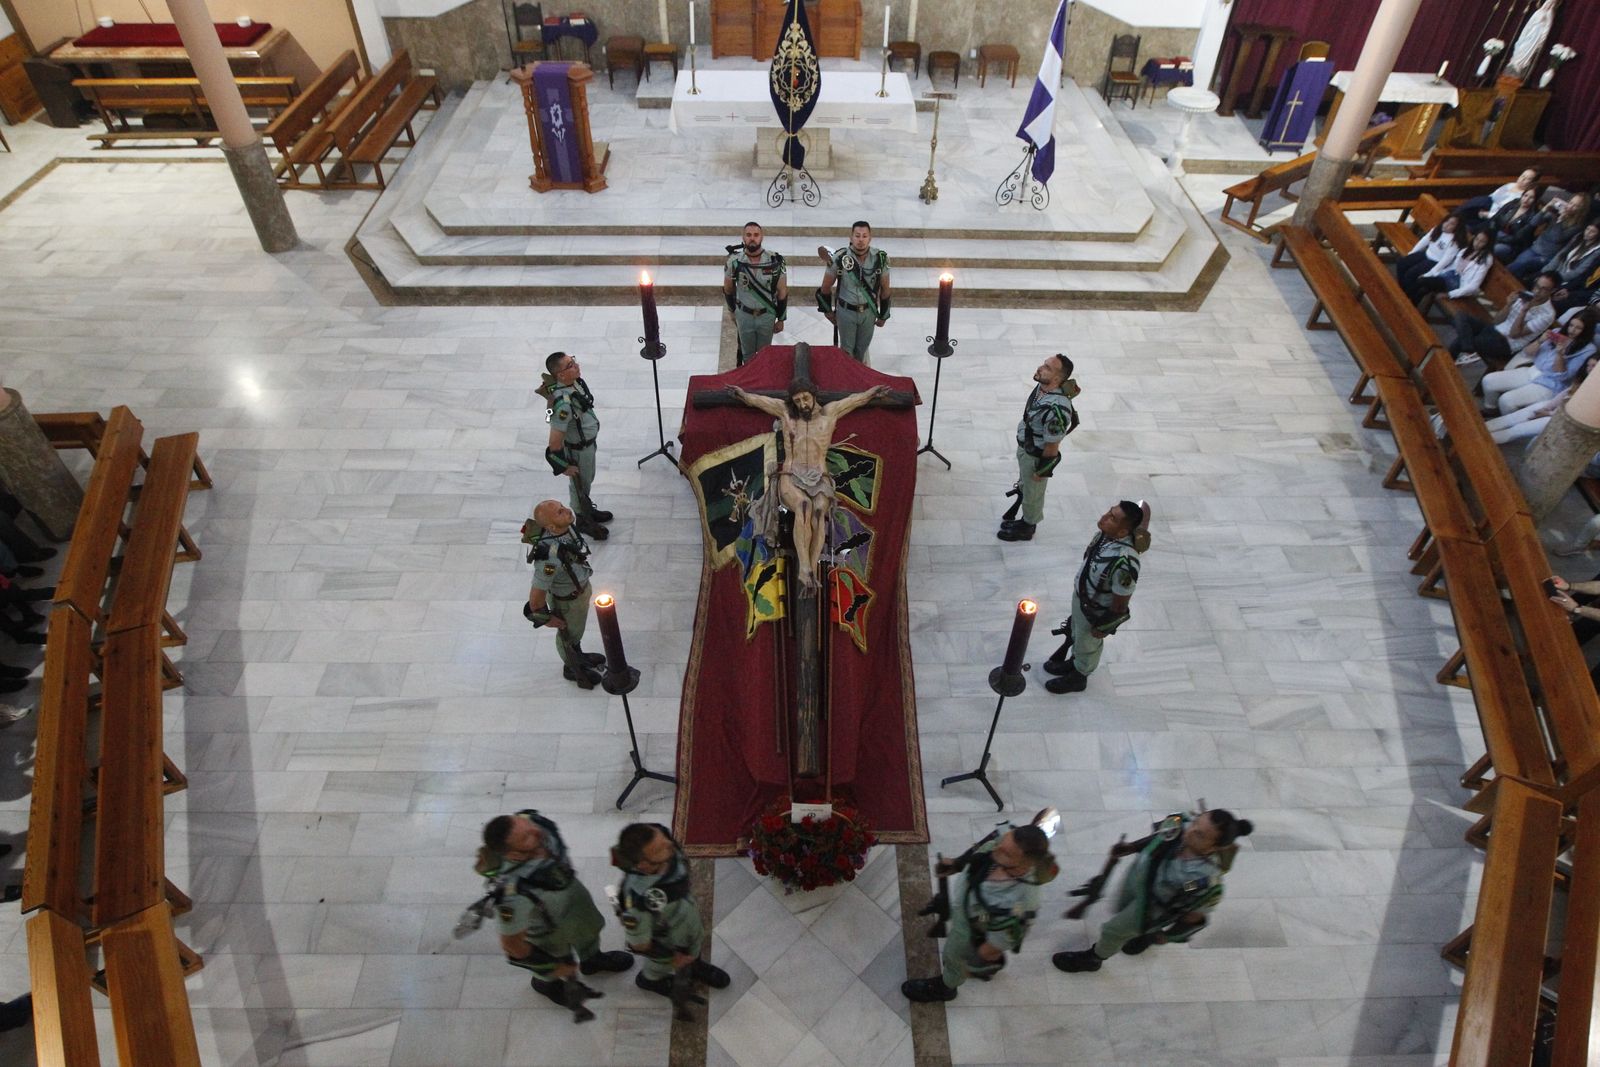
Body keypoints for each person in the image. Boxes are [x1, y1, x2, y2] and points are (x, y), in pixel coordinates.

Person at [728, 378, 890, 589]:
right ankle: (804, 569)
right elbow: (759, 401)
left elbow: (853, 400)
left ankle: (811, 571)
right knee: (804, 507)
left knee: (818, 514)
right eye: (797, 400)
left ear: (815, 395)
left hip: (820, 477)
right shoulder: (785, 411)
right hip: (791, 475)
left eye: (806, 398)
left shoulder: (829, 413)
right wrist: (742, 394)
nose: (802, 404)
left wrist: (872, 392)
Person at [1053, 808, 1253, 973]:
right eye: (1195, 823)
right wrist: (1132, 847)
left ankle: (1094, 958)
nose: (1190, 831)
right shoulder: (1182, 823)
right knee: (1120, 907)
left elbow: (1193, 916)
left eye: (1200, 834)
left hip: (1149, 908)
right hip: (1137, 878)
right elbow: (1159, 838)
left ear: (1214, 847)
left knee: (1113, 931)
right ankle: (1141, 935)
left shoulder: (1204, 881)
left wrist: (1167, 936)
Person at [478, 811, 633, 1019]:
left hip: (572, 896)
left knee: (589, 930)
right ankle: (545, 984)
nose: (535, 830)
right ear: (513, 855)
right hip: (547, 927)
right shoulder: (511, 895)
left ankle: (592, 959)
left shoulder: (531, 821)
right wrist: (552, 967)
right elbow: (512, 945)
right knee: (556, 955)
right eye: (526, 837)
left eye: (525, 824)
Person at [901, 822, 1056, 1003]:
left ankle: (946, 987)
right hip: (966, 906)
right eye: (1001, 842)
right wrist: (958, 863)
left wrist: (976, 963)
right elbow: (982, 849)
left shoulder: (1021, 905)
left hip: (972, 927)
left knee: (954, 955)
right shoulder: (1006, 839)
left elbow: (996, 944)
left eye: (1005, 853)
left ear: (1024, 866)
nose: (996, 849)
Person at [612, 823, 729, 1003]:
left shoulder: (661, 839)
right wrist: (672, 957)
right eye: (661, 848)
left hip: (686, 919)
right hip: (668, 941)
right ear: (644, 865)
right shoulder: (637, 901)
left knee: (693, 947)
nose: (669, 843)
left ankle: (694, 966)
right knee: (658, 967)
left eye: (664, 837)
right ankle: (651, 980)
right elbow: (639, 944)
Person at [1044, 501, 1146, 694]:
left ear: (1123, 532)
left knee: (1088, 643)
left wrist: (1105, 626)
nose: (1105, 516)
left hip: (1095, 610)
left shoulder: (1124, 562)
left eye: (1113, 518)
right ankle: (1074, 662)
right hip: (1082, 597)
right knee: (1076, 633)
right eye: (1110, 511)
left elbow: (1121, 603)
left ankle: (1079, 676)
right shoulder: (1103, 536)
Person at [523, 499, 606, 689]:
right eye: (560, 512)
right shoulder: (550, 560)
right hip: (568, 601)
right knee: (568, 635)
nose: (567, 510)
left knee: (575, 633)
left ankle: (578, 654)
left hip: (579, 591)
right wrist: (547, 618)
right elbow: (536, 596)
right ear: (551, 526)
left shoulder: (566, 527)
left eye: (562, 507)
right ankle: (572, 668)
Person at [999, 354, 1081, 542]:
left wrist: (1042, 471)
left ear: (1057, 379)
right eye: (1044, 364)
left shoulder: (1057, 409)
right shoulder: (1042, 387)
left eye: (1047, 368)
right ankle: (1024, 520)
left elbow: (1052, 445)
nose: (1040, 368)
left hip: (1036, 456)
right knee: (1025, 487)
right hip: (1026, 448)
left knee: (1033, 494)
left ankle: (1028, 527)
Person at [542, 351, 610, 541]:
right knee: (580, 485)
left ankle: (587, 509)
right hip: (578, 450)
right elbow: (554, 442)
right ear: (561, 375)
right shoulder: (562, 405)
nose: (576, 366)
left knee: (587, 481)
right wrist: (564, 466)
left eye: (573, 361)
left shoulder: (575, 384)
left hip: (587, 445)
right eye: (570, 365)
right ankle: (583, 519)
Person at [1480, 312, 1598, 416]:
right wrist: (1540, 341)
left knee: (1507, 401)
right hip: (1533, 370)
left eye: (1578, 328)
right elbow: (1527, 353)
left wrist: (1559, 355)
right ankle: (1491, 409)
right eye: (1571, 325)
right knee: (1489, 380)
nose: (1572, 330)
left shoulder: (1588, 349)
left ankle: (1506, 422)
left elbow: (1563, 376)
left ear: (1586, 331)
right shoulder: (1558, 332)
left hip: (1551, 383)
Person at [817, 221, 890, 364]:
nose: (861, 240)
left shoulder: (879, 259)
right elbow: (825, 287)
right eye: (857, 236)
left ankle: (861, 382)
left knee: (862, 350)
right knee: (847, 351)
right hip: (846, 312)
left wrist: (884, 314)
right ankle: (848, 383)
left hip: (868, 312)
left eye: (864, 236)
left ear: (870, 238)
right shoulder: (840, 258)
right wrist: (827, 311)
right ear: (851, 237)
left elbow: (885, 289)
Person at [1451, 271, 1558, 368]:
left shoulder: (1547, 314)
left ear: (1552, 291)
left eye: (1543, 289)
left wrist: (1523, 311)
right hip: (1494, 329)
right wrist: (1509, 304)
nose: (1537, 291)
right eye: (1536, 286)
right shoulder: (1526, 295)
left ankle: (1456, 358)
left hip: (1506, 343)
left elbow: (1514, 334)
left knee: (1460, 341)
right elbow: (1496, 321)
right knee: (1461, 316)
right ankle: (1469, 350)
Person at [723, 222, 787, 364]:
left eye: (756, 235)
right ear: (743, 237)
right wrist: (733, 311)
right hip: (744, 315)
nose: (752, 238)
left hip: (767, 315)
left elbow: (782, 291)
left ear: (762, 237)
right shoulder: (734, 262)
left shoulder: (775, 261)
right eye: (749, 235)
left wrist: (781, 319)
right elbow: (728, 289)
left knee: (765, 356)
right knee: (747, 356)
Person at [1507, 193, 1592, 282]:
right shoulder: (1555, 214)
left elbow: (1557, 238)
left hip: (1547, 257)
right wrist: (1546, 208)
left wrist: (1560, 219)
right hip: (1535, 248)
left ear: (1581, 210)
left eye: (1576, 206)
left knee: (1524, 264)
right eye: (1571, 203)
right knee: (1517, 264)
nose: (1571, 206)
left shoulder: (1577, 226)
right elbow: (1534, 222)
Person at [1404, 228, 1493, 306]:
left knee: (1422, 281)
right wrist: (1432, 273)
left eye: (1482, 242)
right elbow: (1451, 267)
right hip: (1449, 275)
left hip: (1457, 284)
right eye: (1477, 239)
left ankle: (1404, 300)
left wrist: (1450, 294)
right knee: (1423, 289)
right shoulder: (1466, 250)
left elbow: (1473, 286)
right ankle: (1411, 307)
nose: (1477, 243)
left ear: (1488, 244)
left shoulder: (1486, 259)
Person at [1395, 215, 1465, 292]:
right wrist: (1412, 253)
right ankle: (1401, 288)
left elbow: (1446, 260)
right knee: (1402, 262)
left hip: (1434, 262)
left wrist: (1432, 272)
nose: (1446, 224)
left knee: (1411, 274)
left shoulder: (1454, 241)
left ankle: (1408, 294)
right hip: (1426, 254)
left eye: (1451, 224)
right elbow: (1425, 240)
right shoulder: (1437, 229)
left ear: (1457, 228)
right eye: (1446, 221)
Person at [1490, 186, 1545, 262]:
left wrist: (1498, 239)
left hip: (1511, 244)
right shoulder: (1514, 203)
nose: (1526, 200)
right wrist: (1491, 232)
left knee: (1494, 248)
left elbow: (1518, 238)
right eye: (1525, 195)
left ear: (1535, 200)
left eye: (1531, 198)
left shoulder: (1533, 215)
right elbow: (1495, 218)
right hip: (1497, 233)